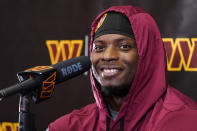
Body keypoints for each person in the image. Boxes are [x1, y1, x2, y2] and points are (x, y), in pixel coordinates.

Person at [48, 5, 197, 131]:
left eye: (124, 46)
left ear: (147, 54)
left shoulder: (186, 122)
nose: (107, 56)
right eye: (99, 48)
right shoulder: (67, 127)